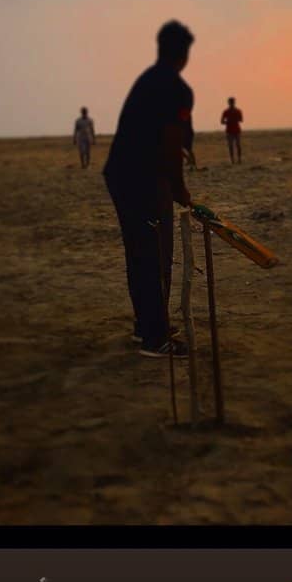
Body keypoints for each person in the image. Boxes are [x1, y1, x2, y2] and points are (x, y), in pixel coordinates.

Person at [103, 21, 194, 359]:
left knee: (140, 254)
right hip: (143, 179)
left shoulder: (148, 80)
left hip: (121, 175)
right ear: (184, 54)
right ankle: (155, 338)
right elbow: (171, 144)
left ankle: (147, 326)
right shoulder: (175, 87)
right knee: (154, 255)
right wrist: (179, 189)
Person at [221, 96, 243, 164]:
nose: (231, 103)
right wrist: (228, 122)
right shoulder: (226, 111)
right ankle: (232, 160)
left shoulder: (238, 111)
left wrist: (234, 120)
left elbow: (241, 120)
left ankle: (239, 159)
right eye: (230, 102)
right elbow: (222, 121)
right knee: (231, 146)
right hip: (229, 131)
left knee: (238, 145)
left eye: (232, 102)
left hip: (236, 130)